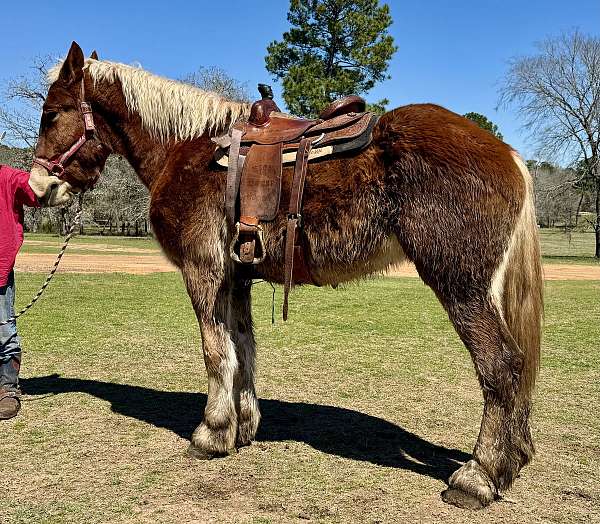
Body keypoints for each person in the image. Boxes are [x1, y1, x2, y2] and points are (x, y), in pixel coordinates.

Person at [0, 164, 42, 419]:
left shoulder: (6, 177)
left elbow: (36, 190)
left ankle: (7, 389)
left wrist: (62, 183)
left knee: (3, 330)